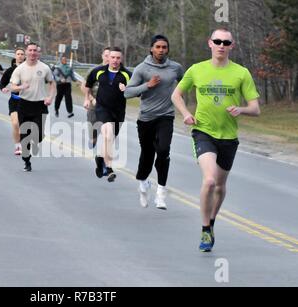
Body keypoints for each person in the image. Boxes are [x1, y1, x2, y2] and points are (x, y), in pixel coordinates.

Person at [171, 28, 261, 252]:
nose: (221, 45)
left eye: (226, 42)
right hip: (203, 132)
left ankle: (211, 223)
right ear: (209, 43)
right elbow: (176, 94)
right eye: (217, 41)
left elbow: (255, 108)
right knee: (209, 180)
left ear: (232, 46)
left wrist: (241, 109)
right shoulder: (197, 69)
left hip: (229, 137)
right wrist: (186, 114)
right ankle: (204, 229)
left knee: (220, 185)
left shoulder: (241, 73)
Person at [125, 35, 184, 210]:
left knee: (164, 150)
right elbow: (127, 93)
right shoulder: (142, 69)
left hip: (166, 116)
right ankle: (143, 183)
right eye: (158, 47)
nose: (161, 50)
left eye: (164, 47)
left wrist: (181, 96)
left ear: (168, 49)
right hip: (146, 118)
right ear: (151, 49)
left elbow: (186, 82)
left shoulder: (175, 68)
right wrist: (147, 86)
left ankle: (161, 193)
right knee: (148, 153)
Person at [84, 47, 132, 183]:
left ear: (121, 59)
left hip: (118, 112)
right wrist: (87, 99)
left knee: (109, 139)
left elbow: (136, 91)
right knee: (108, 134)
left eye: (118, 58)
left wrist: (127, 89)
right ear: (108, 58)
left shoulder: (127, 74)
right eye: (113, 57)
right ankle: (109, 168)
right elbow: (88, 84)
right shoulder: (98, 71)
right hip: (102, 109)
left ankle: (100, 158)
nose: (115, 60)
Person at [10, 42, 56, 172]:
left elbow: (52, 84)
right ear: (26, 52)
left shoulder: (45, 68)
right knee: (24, 137)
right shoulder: (19, 69)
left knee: (38, 136)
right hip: (24, 104)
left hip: (40, 105)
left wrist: (50, 97)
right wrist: (20, 87)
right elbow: (12, 87)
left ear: (38, 53)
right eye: (30, 50)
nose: (32, 53)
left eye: (35, 50)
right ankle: (27, 161)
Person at [82, 47, 110, 149]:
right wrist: (88, 99)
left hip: (109, 108)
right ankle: (93, 139)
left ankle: (104, 157)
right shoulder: (94, 70)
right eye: (106, 55)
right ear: (102, 56)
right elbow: (85, 86)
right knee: (93, 129)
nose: (108, 58)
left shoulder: (117, 72)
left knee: (108, 134)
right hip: (94, 105)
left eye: (110, 56)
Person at [0, 48, 26, 155]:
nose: (20, 56)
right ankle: (17, 146)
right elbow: (2, 82)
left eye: (22, 54)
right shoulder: (10, 70)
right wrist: (3, 88)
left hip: (27, 101)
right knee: (15, 123)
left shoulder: (29, 69)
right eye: (18, 54)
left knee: (24, 126)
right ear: (15, 56)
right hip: (15, 101)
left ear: (25, 56)